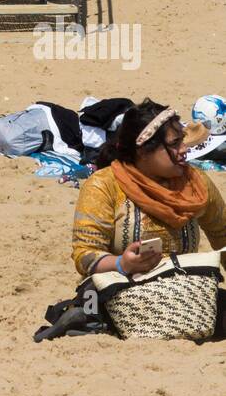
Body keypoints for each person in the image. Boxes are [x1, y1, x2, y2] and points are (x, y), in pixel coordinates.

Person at [72, 99, 226, 280]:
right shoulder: (104, 185)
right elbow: (85, 254)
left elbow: (222, 234)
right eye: (175, 143)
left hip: (188, 292)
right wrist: (122, 264)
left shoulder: (196, 182)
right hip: (121, 291)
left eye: (182, 141)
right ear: (143, 151)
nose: (184, 149)